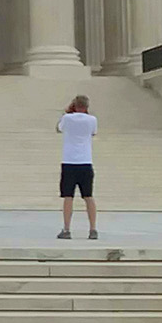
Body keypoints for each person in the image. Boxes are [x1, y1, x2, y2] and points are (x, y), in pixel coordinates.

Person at [56, 95, 97, 240]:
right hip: (86, 161)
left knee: (68, 197)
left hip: (69, 162)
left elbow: (58, 128)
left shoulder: (67, 118)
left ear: (74, 104)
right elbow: (93, 133)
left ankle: (66, 229)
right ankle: (92, 229)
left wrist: (67, 111)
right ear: (87, 106)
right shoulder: (92, 120)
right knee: (88, 196)